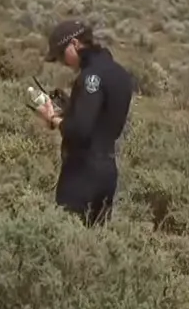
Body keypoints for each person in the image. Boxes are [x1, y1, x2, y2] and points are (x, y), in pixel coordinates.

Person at [34, 19, 134, 226]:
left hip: (83, 172)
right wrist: (70, 108)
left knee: (67, 236)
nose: (63, 61)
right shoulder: (119, 73)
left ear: (76, 44)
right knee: (94, 245)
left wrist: (53, 118)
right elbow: (101, 118)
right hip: (107, 170)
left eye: (63, 54)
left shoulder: (91, 77)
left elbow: (80, 130)